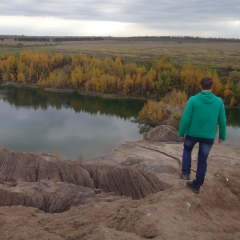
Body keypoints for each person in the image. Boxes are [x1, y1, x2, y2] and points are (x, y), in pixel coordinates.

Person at [178, 76, 226, 193]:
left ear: (200, 86)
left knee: (187, 150)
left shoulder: (193, 100)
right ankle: (196, 186)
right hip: (208, 136)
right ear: (212, 87)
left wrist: (181, 133)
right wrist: (222, 136)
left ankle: (185, 173)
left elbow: (185, 119)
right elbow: (222, 120)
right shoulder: (219, 101)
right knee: (202, 161)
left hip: (192, 134)